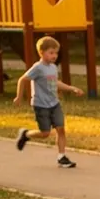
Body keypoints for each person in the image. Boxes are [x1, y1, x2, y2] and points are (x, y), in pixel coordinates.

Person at [14, 34, 84, 168]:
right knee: (45, 133)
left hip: (54, 103)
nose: (54, 56)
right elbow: (23, 79)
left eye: (56, 53)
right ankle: (26, 134)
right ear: (41, 52)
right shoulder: (38, 67)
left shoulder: (52, 67)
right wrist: (19, 96)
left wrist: (71, 88)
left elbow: (55, 82)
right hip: (41, 105)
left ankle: (62, 157)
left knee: (61, 129)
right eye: (51, 53)